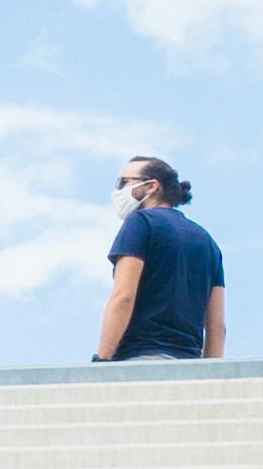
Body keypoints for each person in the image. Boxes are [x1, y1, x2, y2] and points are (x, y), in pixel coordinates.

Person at [95, 154, 226, 363]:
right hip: (190, 369)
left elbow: (123, 297)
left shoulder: (140, 223)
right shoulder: (207, 241)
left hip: (139, 361)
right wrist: (208, 376)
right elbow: (217, 327)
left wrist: (102, 361)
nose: (117, 192)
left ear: (152, 186)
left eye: (123, 183)